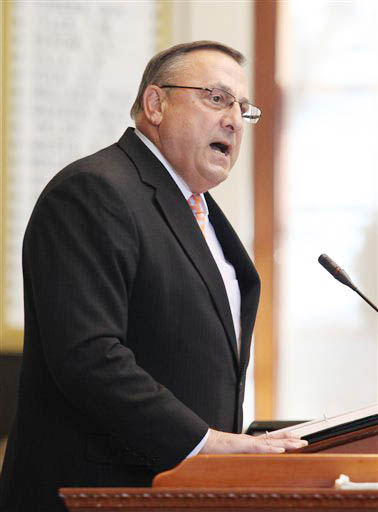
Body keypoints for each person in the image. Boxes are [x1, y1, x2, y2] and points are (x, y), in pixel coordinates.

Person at [0, 41, 307, 512]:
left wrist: (226, 449)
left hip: (181, 491)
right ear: (155, 104)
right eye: (217, 98)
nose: (233, 120)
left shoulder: (200, 212)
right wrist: (206, 442)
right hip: (98, 492)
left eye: (242, 109)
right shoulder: (95, 191)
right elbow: (89, 356)